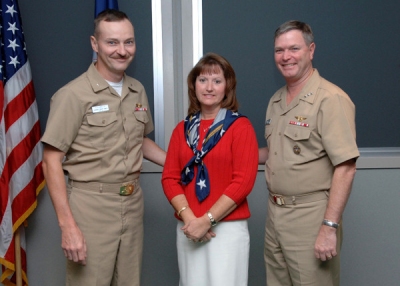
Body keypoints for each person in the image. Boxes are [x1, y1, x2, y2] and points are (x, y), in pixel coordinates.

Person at [41, 9, 166, 286]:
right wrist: (68, 227)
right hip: (90, 207)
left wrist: (177, 165)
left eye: (129, 42)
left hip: (133, 204)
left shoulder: (137, 90)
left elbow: (140, 141)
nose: (122, 51)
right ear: (95, 44)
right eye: (112, 42)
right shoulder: (72, 95)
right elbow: (51, 160)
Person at [259, 20, 359, 286]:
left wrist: (329, 227)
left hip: (311, 218)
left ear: (311, 50)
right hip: (275, 216)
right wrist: (226, 154)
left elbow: (346, 166)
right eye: (279, 50)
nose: (286, 56)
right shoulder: (276, 100)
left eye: (294, 48)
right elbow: (276, 152)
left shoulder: (330, 98)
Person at [161, 53, 258, 285]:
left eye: (217, 81)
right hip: (189, 227)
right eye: (203, 80)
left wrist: (208, 220)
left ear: (228, 87)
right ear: (193, 86)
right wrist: (192, 219)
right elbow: (169, 178)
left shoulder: (240, 127)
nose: (209, 87)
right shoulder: (182, 130)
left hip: (227, 229)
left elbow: (243, 182)